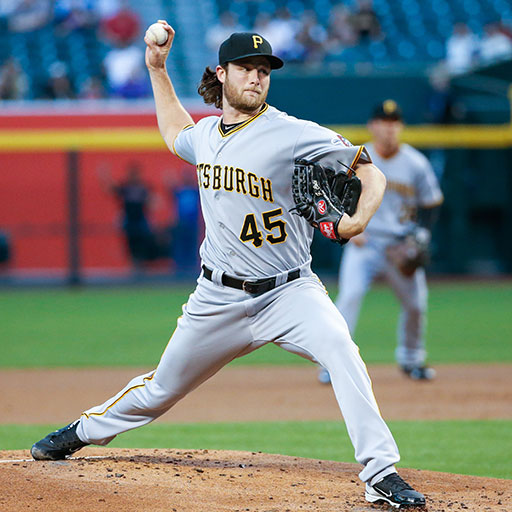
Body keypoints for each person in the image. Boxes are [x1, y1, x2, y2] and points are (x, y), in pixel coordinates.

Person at [31, 26, 426, 509]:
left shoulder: (294, 133)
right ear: (222, 74)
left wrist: (357, 219)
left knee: (342, 351)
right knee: (160, 390)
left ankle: (381, 472)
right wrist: (157, 70)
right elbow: (175, 130)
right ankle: (82, 431)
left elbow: (371, 171)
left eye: (264, 71)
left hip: (289, 292)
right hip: (216, 298)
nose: (257, 78)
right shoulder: (205, 137)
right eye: (246, 69)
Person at [318, 100, 443, 385]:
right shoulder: (358, 159)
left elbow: (432, 202)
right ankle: (331, 365)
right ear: (373, 127)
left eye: (394, 123)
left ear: (400, 127)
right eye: (383, 123)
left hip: (400, 245)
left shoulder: (415, 163)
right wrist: (351, 227)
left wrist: (423, 233)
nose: (389, 129)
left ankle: (412, 360)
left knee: (416, 305)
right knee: (348, 297)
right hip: (366, 242)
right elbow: (335, 197)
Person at [97, 161, 159, 269]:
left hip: (141, 220)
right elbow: (111, 189)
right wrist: (104, 176)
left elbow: (152, 201)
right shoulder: (126, 187)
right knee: (130, 245)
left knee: (143, 244)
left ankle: (141, 265)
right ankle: (134, 266)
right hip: (129, 221)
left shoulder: (143, 187)